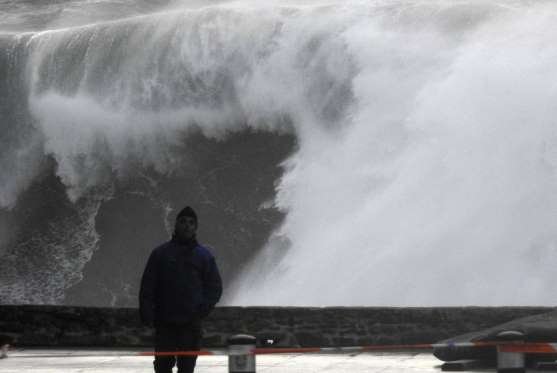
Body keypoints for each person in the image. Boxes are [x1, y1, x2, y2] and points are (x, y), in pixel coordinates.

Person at [139, 206, 222, 373]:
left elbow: (215, 287)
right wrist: (147, 313)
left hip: (190, 325)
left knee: (187, 368)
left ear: (196, 227)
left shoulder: (204, 256)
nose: (187, 225)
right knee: (162, 368)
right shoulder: (160, 254)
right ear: (175, 225)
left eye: (191, 223)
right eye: (183, 222)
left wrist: (202, 310)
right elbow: (148, 286)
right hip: (165, 323)